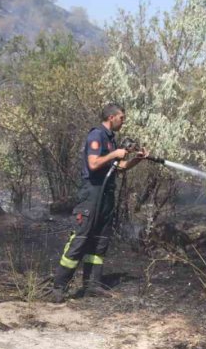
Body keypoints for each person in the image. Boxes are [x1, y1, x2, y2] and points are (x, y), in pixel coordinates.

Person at [50, 103, 148, 302]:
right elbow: (94, 163)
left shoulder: (111, 139)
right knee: (81, 238)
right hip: (92, 195)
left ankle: (92, 285)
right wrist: (114, 154)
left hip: (106, 196)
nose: (123, 121)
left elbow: (119, 166)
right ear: (111, 117)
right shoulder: (96, 135)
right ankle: (59, 287)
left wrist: (137, 159)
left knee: (100, 240)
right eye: (121, 117)